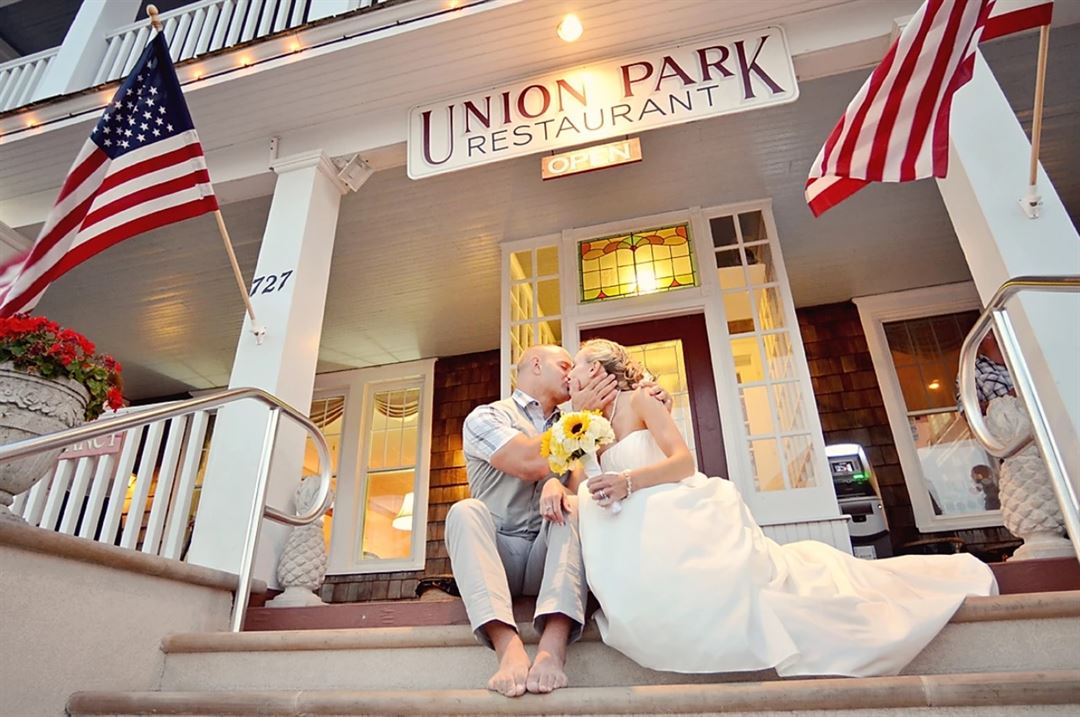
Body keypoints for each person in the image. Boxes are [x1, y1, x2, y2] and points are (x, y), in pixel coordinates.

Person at [568, 338, 998, 678]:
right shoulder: (589, 424)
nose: (572, 374)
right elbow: (584, 482)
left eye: (579, 364)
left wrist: (627, 482)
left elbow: (683, 462)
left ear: (598, 369)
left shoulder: (643, 400)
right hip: (631, 520)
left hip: (667, 501)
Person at [446, 344, 668, 697]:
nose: (571, 372)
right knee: (463, 511)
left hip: (548, 553)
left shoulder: (584, 419)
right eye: (564, 364)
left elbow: (596, 470)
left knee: (575, 505)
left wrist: (652, 400)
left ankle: (553, 645)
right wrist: (576, 418)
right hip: (497, 552)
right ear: (536, 364)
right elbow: (526, 461)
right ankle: (508, 646)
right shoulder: (487, 417)